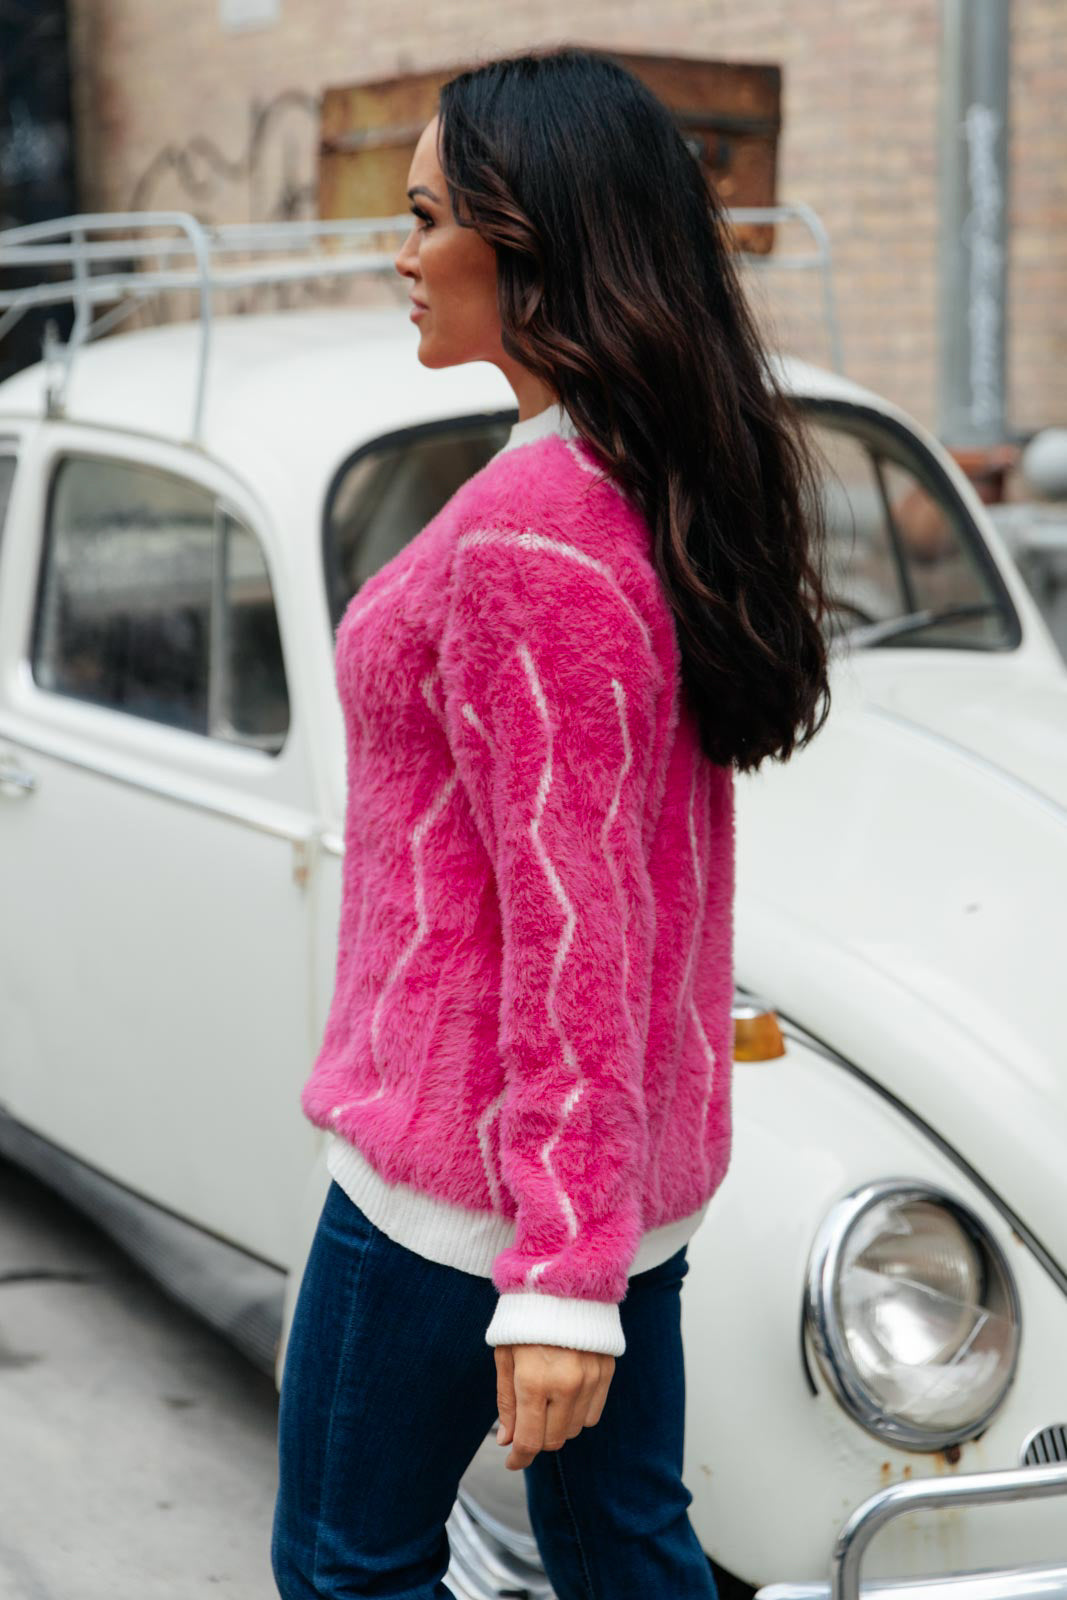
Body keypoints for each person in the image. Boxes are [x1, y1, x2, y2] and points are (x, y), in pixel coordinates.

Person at [271, 44, 832, 1600]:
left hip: (465, 1193)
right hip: (601, 1176)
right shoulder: (635, 481)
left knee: (342, 1569)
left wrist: (561, 1279)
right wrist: (589, 1246)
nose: (401, 250)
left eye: (430, 214)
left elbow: (571, 911)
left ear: (535, 246)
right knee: (622, 1547)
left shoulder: (536, 536)